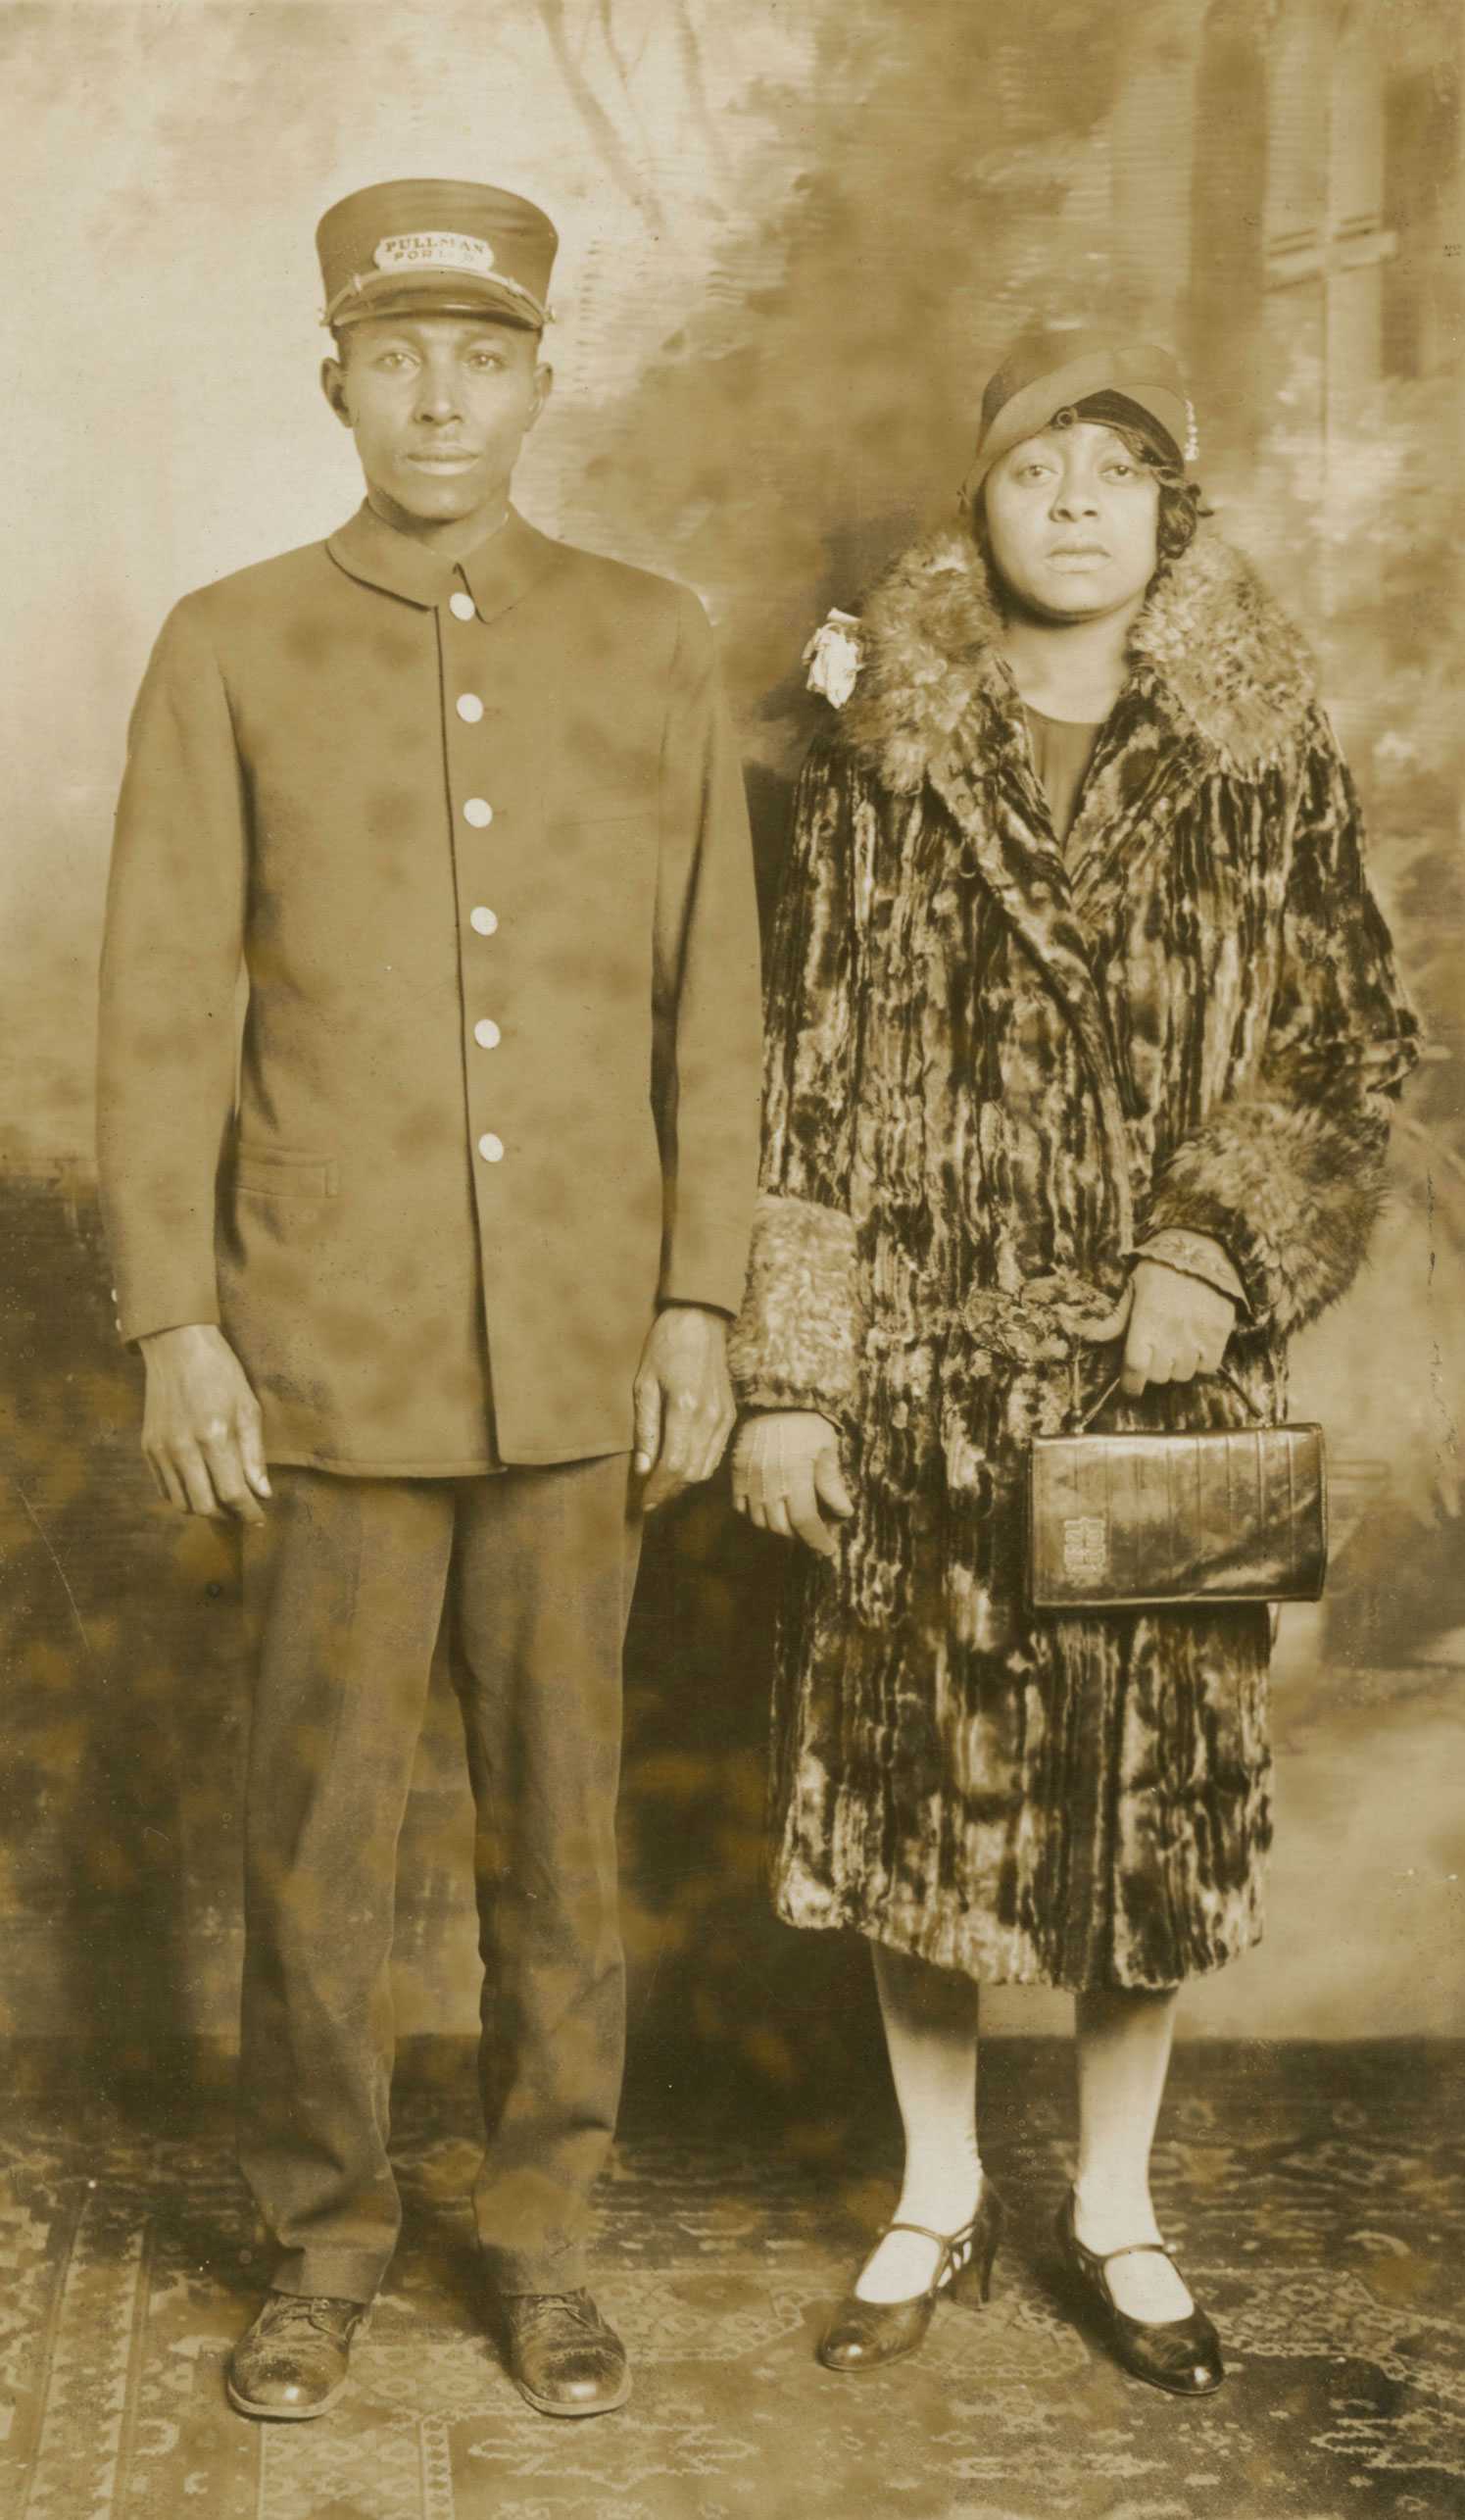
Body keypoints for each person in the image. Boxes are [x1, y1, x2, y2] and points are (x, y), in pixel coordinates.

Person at [97, 179, 761, 2423]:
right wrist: (177, 1316)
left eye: (483, 356)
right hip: (325, 1343)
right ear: (337, 381)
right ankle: (319, 2238)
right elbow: (167, 1004)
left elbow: (711, 1011)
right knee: (320, 1835)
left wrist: (700, 1297)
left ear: (540, 379)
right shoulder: (231, 639)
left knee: (567, 1834)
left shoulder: (651, 636)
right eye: (399, 357)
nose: (442, 395)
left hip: (582, 1343)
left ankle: (543, 2235)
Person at [728, 330, 1419, 2396]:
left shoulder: (1259, 750)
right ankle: (932, 2185)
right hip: (927, 1365)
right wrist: (791, 1373)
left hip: (1156, 1381)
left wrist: (1212, 1244)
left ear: (1171, 504)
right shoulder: (882, 752)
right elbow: (808, 1066)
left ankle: (1116, 2204)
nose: (1079, 502)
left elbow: (1344, 1041)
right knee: (910, 1791)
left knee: (1150, 1811)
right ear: (984, 498)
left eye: (1120, 467)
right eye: (1040, 464)